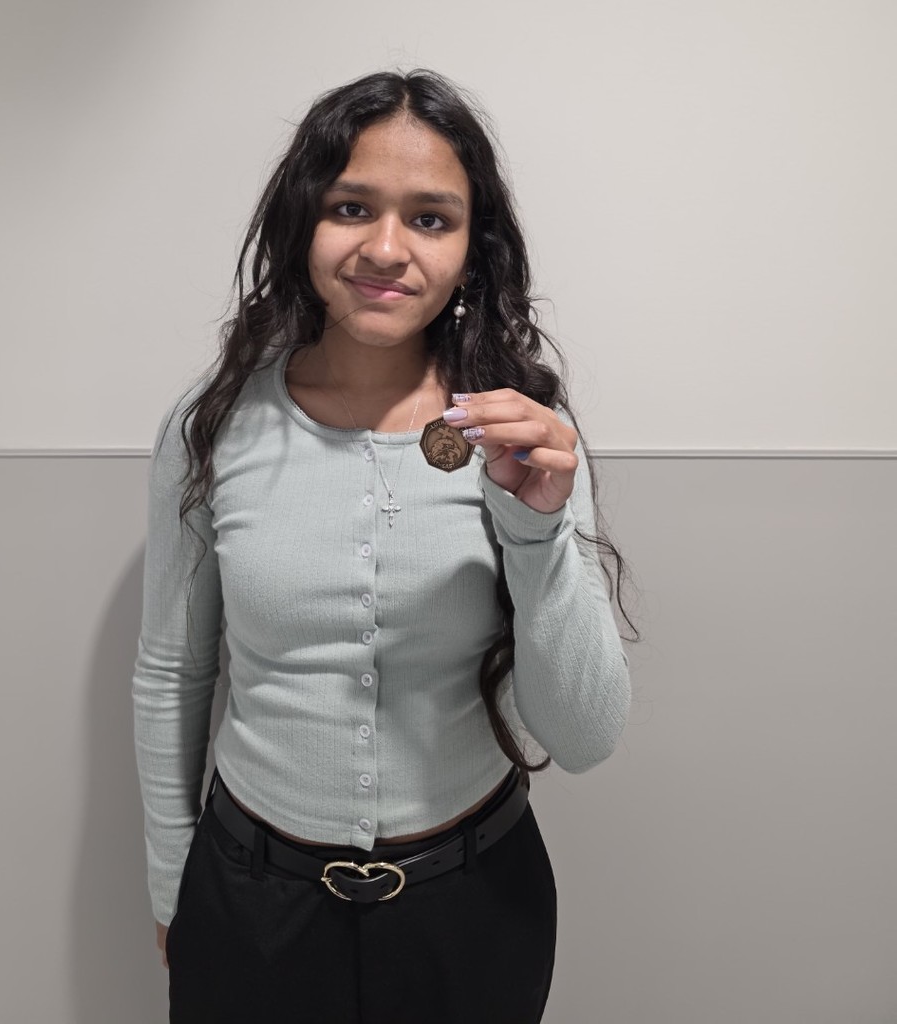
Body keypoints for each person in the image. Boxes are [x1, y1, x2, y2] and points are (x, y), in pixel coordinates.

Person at [132, 68, 632, 1024]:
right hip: (249, 901)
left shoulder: (524, 433)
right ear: (300, 223)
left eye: (431, 218)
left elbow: (585, 736)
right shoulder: (211, 423)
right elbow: (170, 671)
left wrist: (532, 529)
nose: (386, 249)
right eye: (351, 206)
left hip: (472, 905)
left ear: (471, 251)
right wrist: (171, 887)